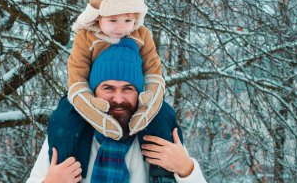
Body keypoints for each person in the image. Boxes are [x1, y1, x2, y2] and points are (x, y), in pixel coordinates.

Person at [26, 38, 207, 183]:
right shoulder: (69, 132)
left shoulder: (160, 135)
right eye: (108, 88)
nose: (118, 99)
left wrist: (186, 170)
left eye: (128, 88)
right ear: (93, 92)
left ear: (140, 93)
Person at [67, 0, 165, 140]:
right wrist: (87, 99)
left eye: (128, 20)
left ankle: (160, 156)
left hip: (133, 92)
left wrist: (150, 94)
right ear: (98, 18)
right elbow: (77, 71)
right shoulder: (86, 37)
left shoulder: (141, 34)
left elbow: (152, 66)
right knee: (64, 118)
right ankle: (65, 155)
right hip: (95, 92)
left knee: (165, 116)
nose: (121, 28)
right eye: (113, 20)